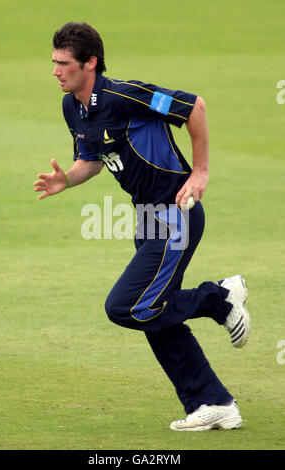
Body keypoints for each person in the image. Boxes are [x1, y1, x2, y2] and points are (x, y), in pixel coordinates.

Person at [34, 21, 250, 431]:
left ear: (90, 62)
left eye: (63, 63)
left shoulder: (125, 96)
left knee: (128, 307)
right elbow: (92, 160)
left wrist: (200, 172)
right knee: (153, 313)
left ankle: (218, 299)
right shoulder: (73, 107)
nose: (56, 71)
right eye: (54, 63)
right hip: (147, 218)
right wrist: (68, 180)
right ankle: (213, 402)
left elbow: (195, 108)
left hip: (175, 215)